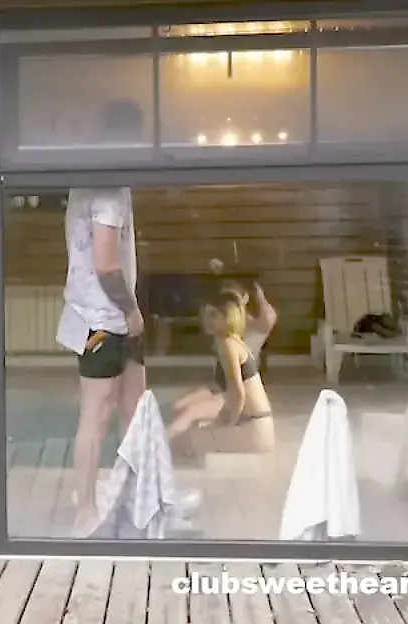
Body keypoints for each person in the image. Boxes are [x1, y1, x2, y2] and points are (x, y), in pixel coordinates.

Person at [55, 187, 145, 534]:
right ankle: (86, 510)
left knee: (136, 409)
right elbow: (106, 266)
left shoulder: (86, 186)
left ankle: (138, 494)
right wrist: (131, 310)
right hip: (103, 320)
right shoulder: (109, 194)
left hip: (108, 316)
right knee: (98, 413)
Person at [168, 290, 276, 456]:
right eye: (206, 314)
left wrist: (228, 425)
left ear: (227, 317)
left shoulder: (228, 345)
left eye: (213, 315)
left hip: (254, 431)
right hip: (259, 428)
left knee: (183, 440)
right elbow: (226, 390)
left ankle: (151, 451)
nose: (207, 320)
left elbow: (238, 393)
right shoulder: (232, 340)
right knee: (190, 422)